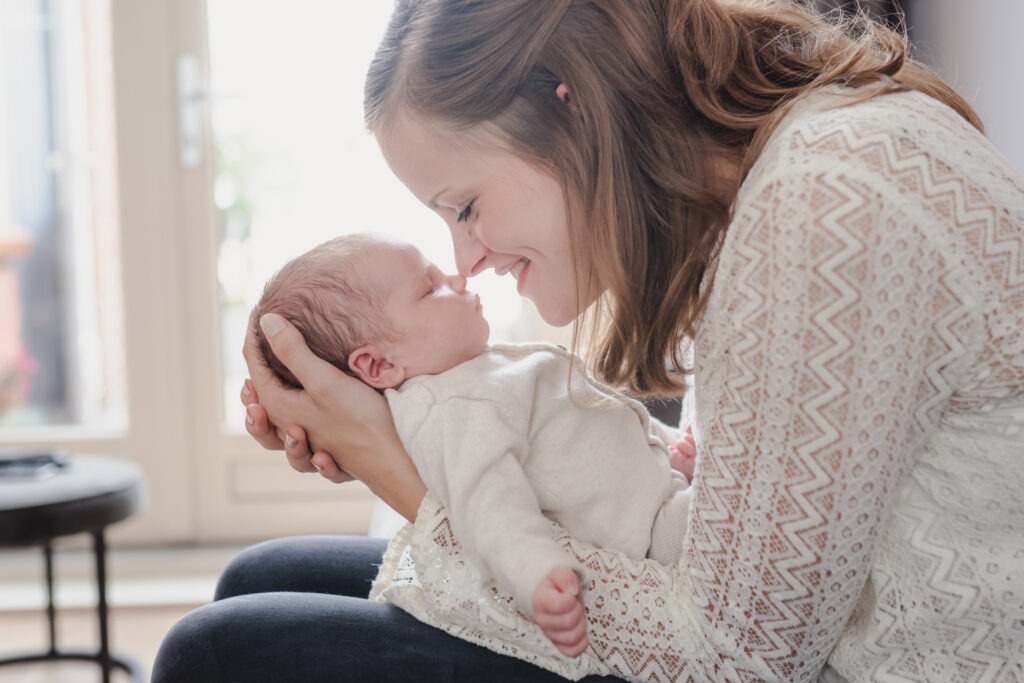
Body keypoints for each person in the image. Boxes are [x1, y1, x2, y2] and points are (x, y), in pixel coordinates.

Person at [154, 0, 1024, 681]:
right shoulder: (776, 176)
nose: (466, 258)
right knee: (258, 576)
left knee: (217, 651)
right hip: (775, 636)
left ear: (568, 112)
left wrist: (402, 471)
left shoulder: (827, 203)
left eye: (464, 206)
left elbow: (741, 659)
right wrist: (392, 417)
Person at [249, 233, 693, 655]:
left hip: (657, 495)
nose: (459, 279)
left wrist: (669, 447)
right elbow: (489, 505)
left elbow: (591, 426)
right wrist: (536, 573)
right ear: (379, 364)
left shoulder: (472, 374)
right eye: (431, 288)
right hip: (654, 537)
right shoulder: (455, 409)